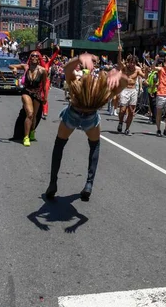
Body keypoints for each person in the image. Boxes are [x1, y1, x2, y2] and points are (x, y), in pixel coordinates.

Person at [45, 52, 128, 201]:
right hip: (90, 116)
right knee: (94, 146)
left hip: (74, 113)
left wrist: (78, 58)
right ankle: (89, 183)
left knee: (59, 145)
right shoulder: (102, 87)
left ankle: (53, 183)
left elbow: (67, 69)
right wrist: (120, 75)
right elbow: (125, 83)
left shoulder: (81, 82)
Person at [10, 51, 48, 146]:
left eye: (36, 56)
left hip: (37, 93)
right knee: (30, 114)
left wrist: (45, 98)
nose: (34, 57)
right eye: (32, 56)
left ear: (39, 58)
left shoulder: (43, 70)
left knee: (34, 116)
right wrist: (14, 69)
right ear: (30, 58)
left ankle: (32, 132)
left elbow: (44, 85)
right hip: (26, 91)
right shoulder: (25, 67)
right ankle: (26, 137)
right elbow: (10, 65)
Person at [117, 50, 145, 136]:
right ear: (128, 62)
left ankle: (127, 129)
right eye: (130, 62)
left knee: (131, 111)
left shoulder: (137, 69)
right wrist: (120, 51)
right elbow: (119, 61)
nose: (132, 64)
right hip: (124, 89)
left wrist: (146, 70)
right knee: (122, 110)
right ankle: (121, 122)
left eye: (134, 63)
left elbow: (144, 76)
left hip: (133, 91)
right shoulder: (124, 68)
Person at [40, 44, 60, 119]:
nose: (44, 58)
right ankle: (39, 110)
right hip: (39, 81)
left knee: (44, 97)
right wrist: (38, 48)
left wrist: (57, 50)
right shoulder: (40, 64)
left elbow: (53, 57)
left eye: (45, 58)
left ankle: (45, 111)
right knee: (38, 96)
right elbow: (37, 55)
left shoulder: (48, 64)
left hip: (46, 81)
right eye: (42, 58)